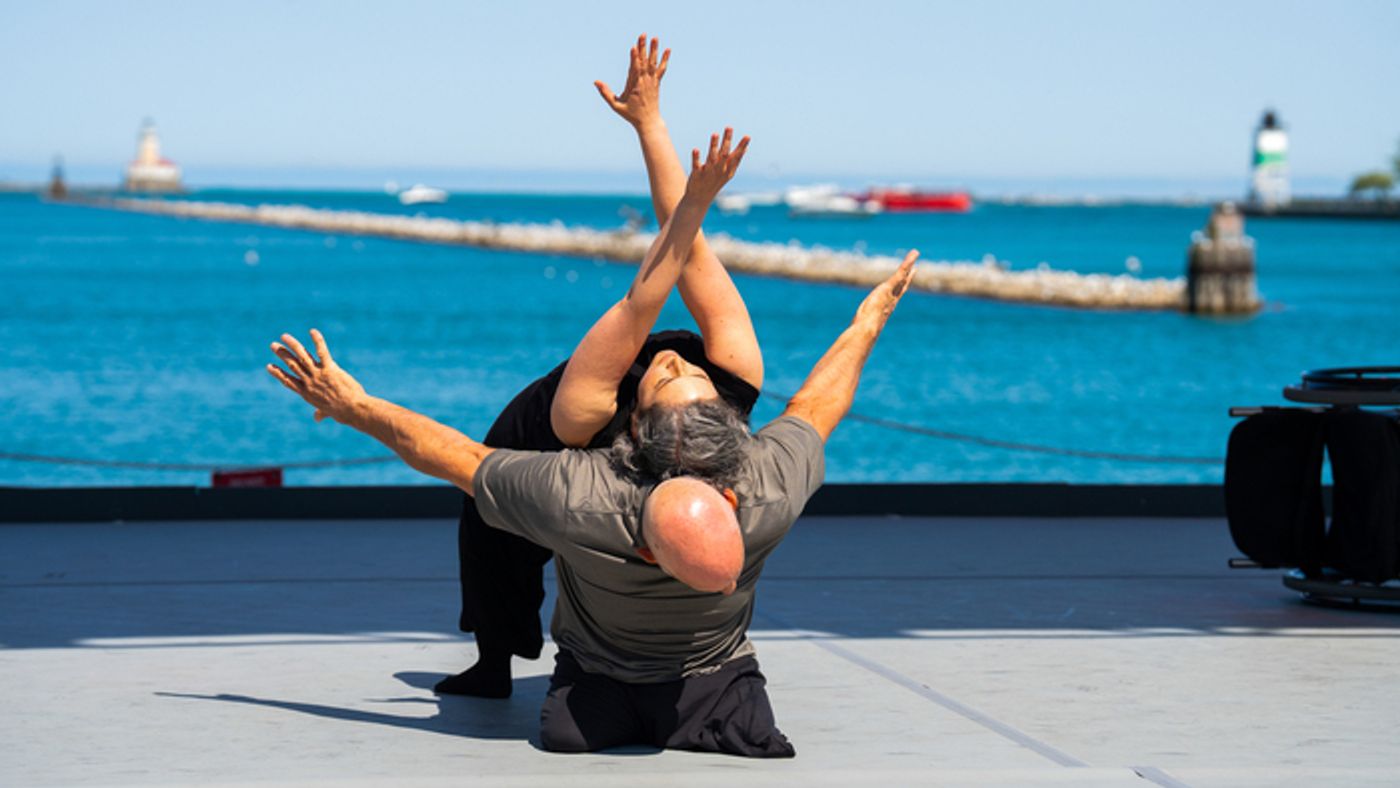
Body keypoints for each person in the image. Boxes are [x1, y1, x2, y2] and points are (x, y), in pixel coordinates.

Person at [266, 247, 920, 756]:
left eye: (678, 373)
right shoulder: (767, 485)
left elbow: (450, 455)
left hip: (595, 692)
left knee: (567, 730)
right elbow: (818, 403)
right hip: (716, 686)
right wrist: (868, 322)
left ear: (631, 431)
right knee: (750, 731)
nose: (674, 361)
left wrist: (355, 406)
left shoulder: (582, 496)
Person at [437, 36, 765, 700]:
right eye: (687, 370)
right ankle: (493, 660)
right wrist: (651, 125)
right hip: (535, 435)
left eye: (669, 375)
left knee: (616, 538)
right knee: (493, 536)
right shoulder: (719, 377)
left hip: (602, 433)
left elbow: (650, 290)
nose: (672, 358)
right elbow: (674, 265)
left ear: (640, 415)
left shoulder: (610, 411)